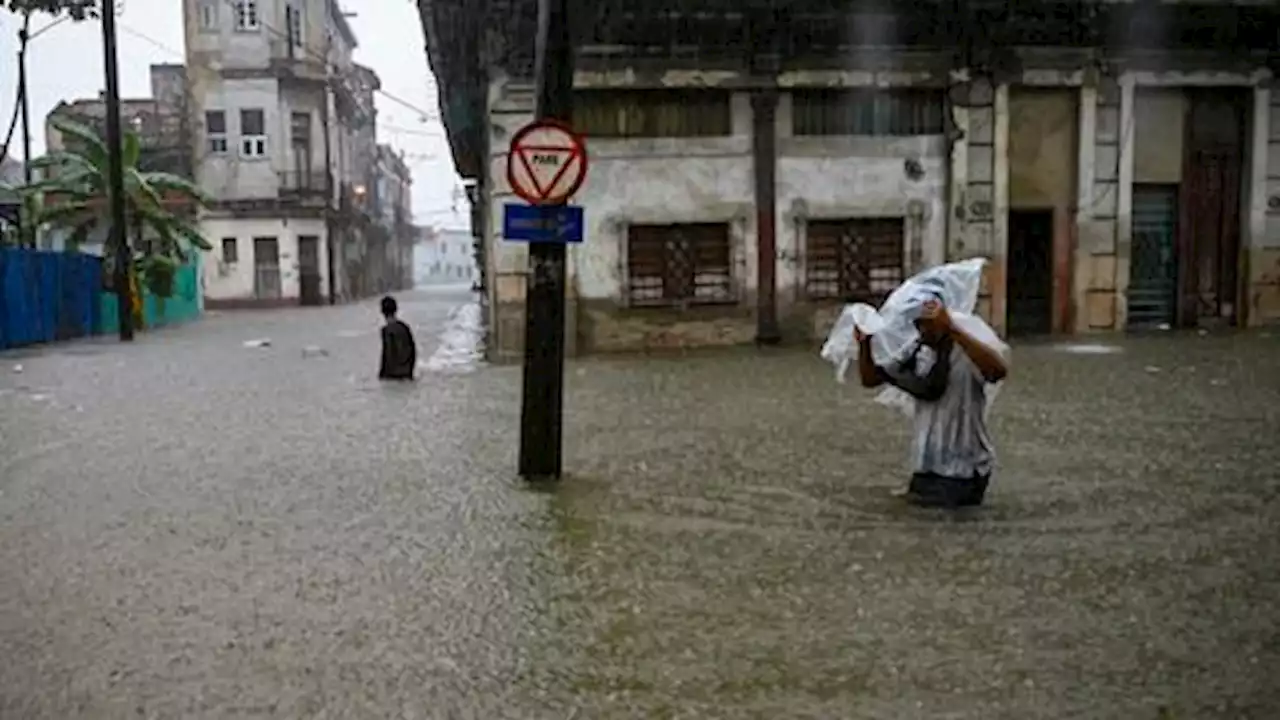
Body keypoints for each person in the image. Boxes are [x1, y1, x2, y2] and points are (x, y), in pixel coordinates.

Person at [856, 298, 1009, 508]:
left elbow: (997, 371)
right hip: (926, 463)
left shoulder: (967, 350)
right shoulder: (919, 349)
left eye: (929, 324)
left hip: (964, 468)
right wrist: (865, 344)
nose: (922, 330)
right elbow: (871, 379)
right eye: (918, 324)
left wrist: (953, 328)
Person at [378, 296, 417, 381]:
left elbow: (387, 355)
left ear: (382, 312)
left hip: (392, 377)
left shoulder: (386, 331)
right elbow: (413, 352)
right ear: (396, 310)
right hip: (407, 375)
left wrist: (381, 376)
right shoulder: (405, 327)